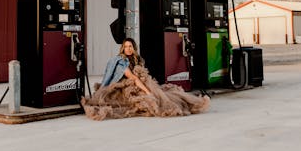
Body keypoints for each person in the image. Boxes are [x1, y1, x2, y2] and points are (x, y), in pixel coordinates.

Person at [81, 38, 210, 120]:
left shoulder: (137, 59)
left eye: (130, 46)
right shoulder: (121, 61)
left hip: (136, 83)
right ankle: (150, 94)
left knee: (165, 94)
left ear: (134, 48)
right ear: (122, 48)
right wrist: (148, 92)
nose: (128, 49)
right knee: (148, 96)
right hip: (123, 87)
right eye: (126, 46)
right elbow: (132, 77)